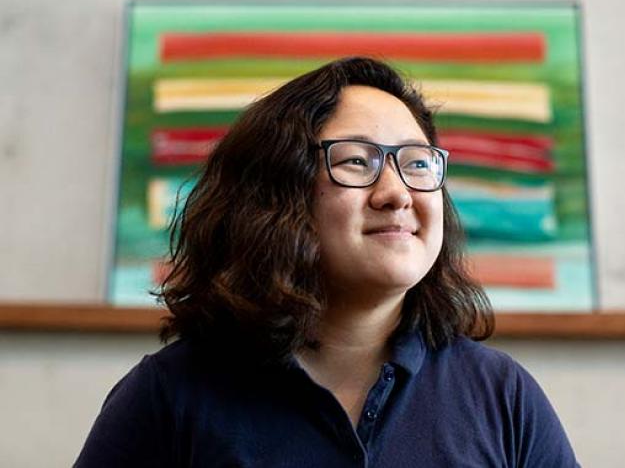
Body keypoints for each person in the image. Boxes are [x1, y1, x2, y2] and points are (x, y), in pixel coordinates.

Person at [75, 57, 579, 467]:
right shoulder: (170, 396)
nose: (397, 193)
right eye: (357, 161)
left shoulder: (502, 396)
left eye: (418, 163)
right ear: (276, 195)